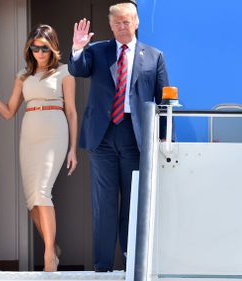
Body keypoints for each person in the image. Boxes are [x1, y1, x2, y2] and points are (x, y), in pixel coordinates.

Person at [68, 2, 169, 272]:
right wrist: (78, 48)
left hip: (135, 136)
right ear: (111, 25)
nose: (122, 27)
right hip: (102, 136)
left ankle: (131, 264)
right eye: (117, 23)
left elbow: (163, 100)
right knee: (104, 203)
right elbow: (77, 70)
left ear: (136, 22)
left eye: (127, 21)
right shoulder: (98, 51)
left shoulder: (154, 56)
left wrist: (162, 138)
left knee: (133, 202)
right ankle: (102, 266)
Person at [0, 24, 78, 272]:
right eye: (35, 47)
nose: (39, 52)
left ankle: (49, 257)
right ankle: (53, 246)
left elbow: (71, 111)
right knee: (32, 201)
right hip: (29, 134)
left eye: (44, 48)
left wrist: (73, 149)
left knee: (42, 191)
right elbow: (8, 112)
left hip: (54, 131)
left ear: (52, 48)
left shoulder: (65, 72)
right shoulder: (22, 76)